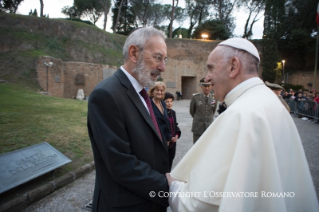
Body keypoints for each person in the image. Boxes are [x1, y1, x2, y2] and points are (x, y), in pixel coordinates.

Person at [166, 38, 319, 212]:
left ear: (233, 66)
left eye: (211, 68)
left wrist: (174, 188)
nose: (207, 77)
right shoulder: (269, 101)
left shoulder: (241, 114)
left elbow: (200, 204)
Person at [87, 27, 170, 212]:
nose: (163, 67)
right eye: (158, 57)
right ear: (134, 53)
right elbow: (121, 164)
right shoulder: (106, 95)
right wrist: (169, 188)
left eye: (165, 60)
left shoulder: (142, 93)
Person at [189, 77, 217, 143]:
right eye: (204, 86)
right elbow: (192, 111)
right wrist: (199, 118)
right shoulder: (195, 98)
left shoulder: (214, 98)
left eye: (208, 86)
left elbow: (213, 111)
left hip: (209, 127)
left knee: (208, 147)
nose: (206, 88)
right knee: (196, 147)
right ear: (201, 86)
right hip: (198, 128)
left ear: (211, 86)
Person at [149, 81, 171, 148]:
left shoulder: (163, 103)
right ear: (152, 91)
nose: (159, 92)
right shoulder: (148, 104)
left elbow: (166, 121)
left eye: (161, 90)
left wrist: (168, 137)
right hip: (154, 136)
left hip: (164, 135)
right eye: (157, 90)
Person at [164, 92, 181, 171]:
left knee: (171, 159)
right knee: (164, 162)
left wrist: (177, 134)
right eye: (167, 101)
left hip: (173, 142)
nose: (169, 103)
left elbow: (175, 125)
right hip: (165, 142)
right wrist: (169, 137)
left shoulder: (173, 112)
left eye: (171, 101)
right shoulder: (161, 112)